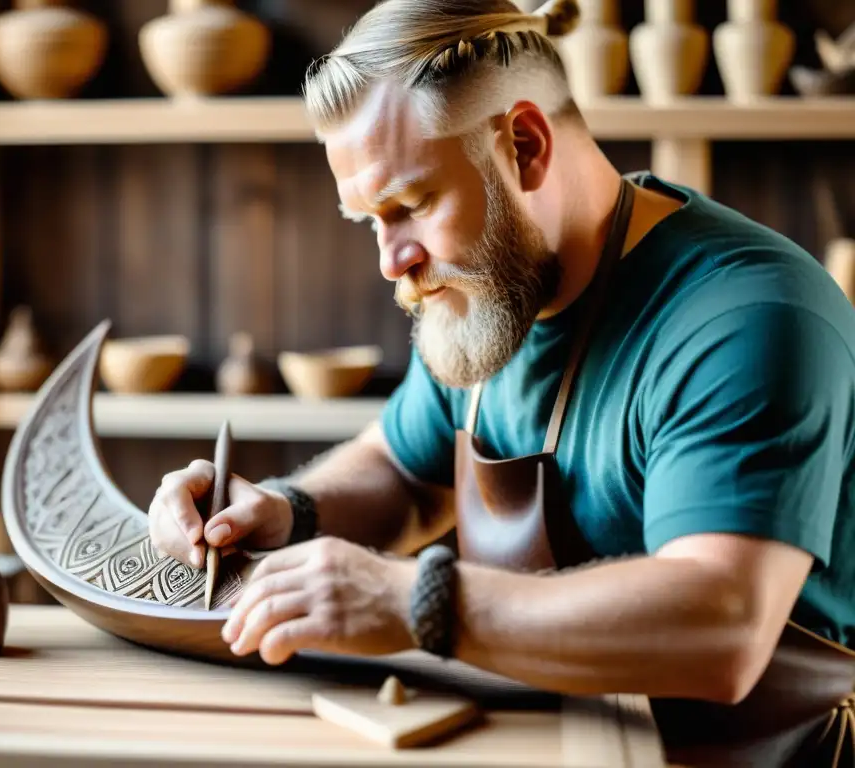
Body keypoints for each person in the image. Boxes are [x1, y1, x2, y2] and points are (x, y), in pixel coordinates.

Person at [148, 1, 855, 764]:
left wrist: (412, 600)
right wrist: (284, 512)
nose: (391, 260)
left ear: (524, 144)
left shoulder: (745, 316)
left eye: (409, 206)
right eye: (369, 221)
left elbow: (723, 626)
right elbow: (402, 473)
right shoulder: (494, 296)